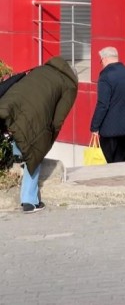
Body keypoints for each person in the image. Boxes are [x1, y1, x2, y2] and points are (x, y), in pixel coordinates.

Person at [0, 56, 78, 213]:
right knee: (35, 151)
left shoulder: (41, 69)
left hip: (8, 107)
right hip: (33, 117)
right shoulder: (70, 85)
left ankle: (18, 154)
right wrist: (50, 136)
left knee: (22, 139)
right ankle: (29, 201)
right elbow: (59, 117)